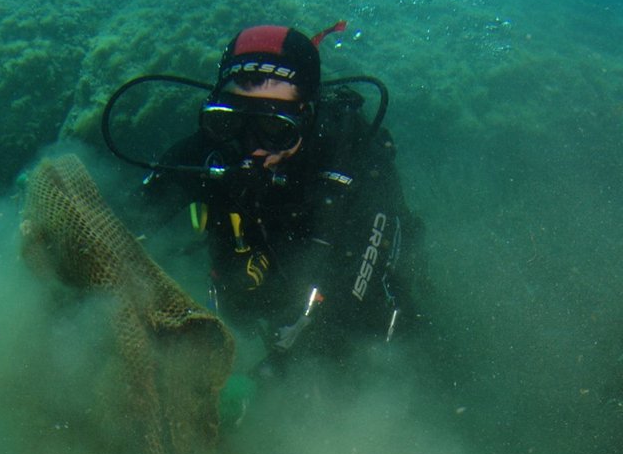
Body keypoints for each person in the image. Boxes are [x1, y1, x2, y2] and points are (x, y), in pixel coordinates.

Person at [108, 22, 426, 369]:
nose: (251, 148)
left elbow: (358, 309)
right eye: (231, 121)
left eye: (275, 128)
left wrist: (273, 373)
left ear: (307, 116)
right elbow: (121, 225)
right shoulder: (213, 149)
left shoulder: (354, 164)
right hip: (254, 307)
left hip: (355, 321)